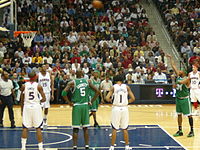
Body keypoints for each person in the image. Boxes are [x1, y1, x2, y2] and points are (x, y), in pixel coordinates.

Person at [62, 70, 99, 150]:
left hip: (77, 106)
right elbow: (97, 91)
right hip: (85, 106)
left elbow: (63, 93)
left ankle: (75, 146)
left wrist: (69, 102)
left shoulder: (72, 82)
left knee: (76, 129)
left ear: (75, 75)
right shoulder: (88, 81)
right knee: (85, 128)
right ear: (83, 74)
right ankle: (87, 146)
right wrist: (91, 101)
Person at [167, 54, 194, 137]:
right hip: (178, 99)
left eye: (180, 71)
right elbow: (173, 65)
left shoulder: (187, 79)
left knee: (189, 115)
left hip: (185, 99)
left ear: (184, 72)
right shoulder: (179, 76)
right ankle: (180, 130)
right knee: (179, 115)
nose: (179, 71)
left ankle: (192, 131)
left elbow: (181, 82)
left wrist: (173, 80)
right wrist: (171, 58)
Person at [106, 74, 135, 150]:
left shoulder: (113, 87)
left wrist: (111, 101)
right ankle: (127, 146)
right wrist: (126, 102)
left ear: (115, 80)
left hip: (116, 108)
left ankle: (112, 147)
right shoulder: (127, 87)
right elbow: (133, 98)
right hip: (124, 108)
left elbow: (107, 98)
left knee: (114, 128)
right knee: (125, 128)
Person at [20, 71, 46, 150]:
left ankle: (23, 147)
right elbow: (44, 98)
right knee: (38, 128)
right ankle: (40, 147)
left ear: (28, 77)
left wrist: (21, 109)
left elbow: (21, 99)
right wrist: (38, 101)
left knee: (25, 127)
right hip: (36, 107)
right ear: (35, 77)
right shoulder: (38, 86)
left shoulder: (24, 86)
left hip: (27, 107)